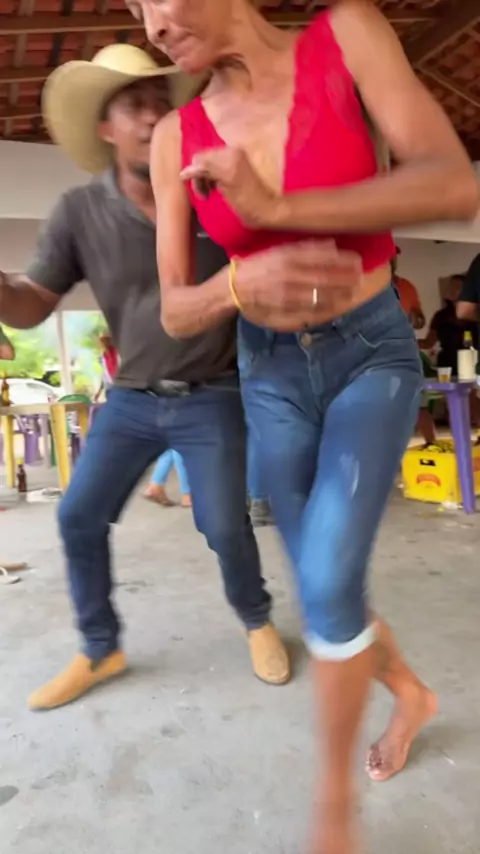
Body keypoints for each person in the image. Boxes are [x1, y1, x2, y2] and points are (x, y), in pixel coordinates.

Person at [136, 0, 478, 851]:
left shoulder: (346, 36)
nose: (152, 24)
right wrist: (233, 287)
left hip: (371, 352)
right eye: (134, 8)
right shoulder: (175, 136)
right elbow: (175, 307)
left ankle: (332, 816)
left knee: (324, 580)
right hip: (270, 372)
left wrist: (276, 206)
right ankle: (412, 695)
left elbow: (452, 182)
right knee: (330, 588)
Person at [0, 44, 290, 711]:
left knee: (224, 524)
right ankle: (100, 647)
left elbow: (267, 263)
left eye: (161, 102)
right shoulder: (79, 211)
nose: (155, 115)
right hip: (129, 399)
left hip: (214, 393)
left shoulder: (208, 190)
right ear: (106, 127)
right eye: (135, 105)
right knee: (77, 515)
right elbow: (31, 304)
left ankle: (256, 619)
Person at [391, 247, 426, 330]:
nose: (392, 259)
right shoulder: (367, 285)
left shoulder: (407, 286)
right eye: (387, 255)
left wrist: (418, 320)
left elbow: (419, 319)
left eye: (393, 256)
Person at [94, 331, 119, 401]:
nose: (104, 342)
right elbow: (104, 375)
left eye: (106, 340)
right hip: (109, 389)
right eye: (102, 340)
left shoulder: (116, 353)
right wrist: (99, 392)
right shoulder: (102, 356)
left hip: (118, 388)